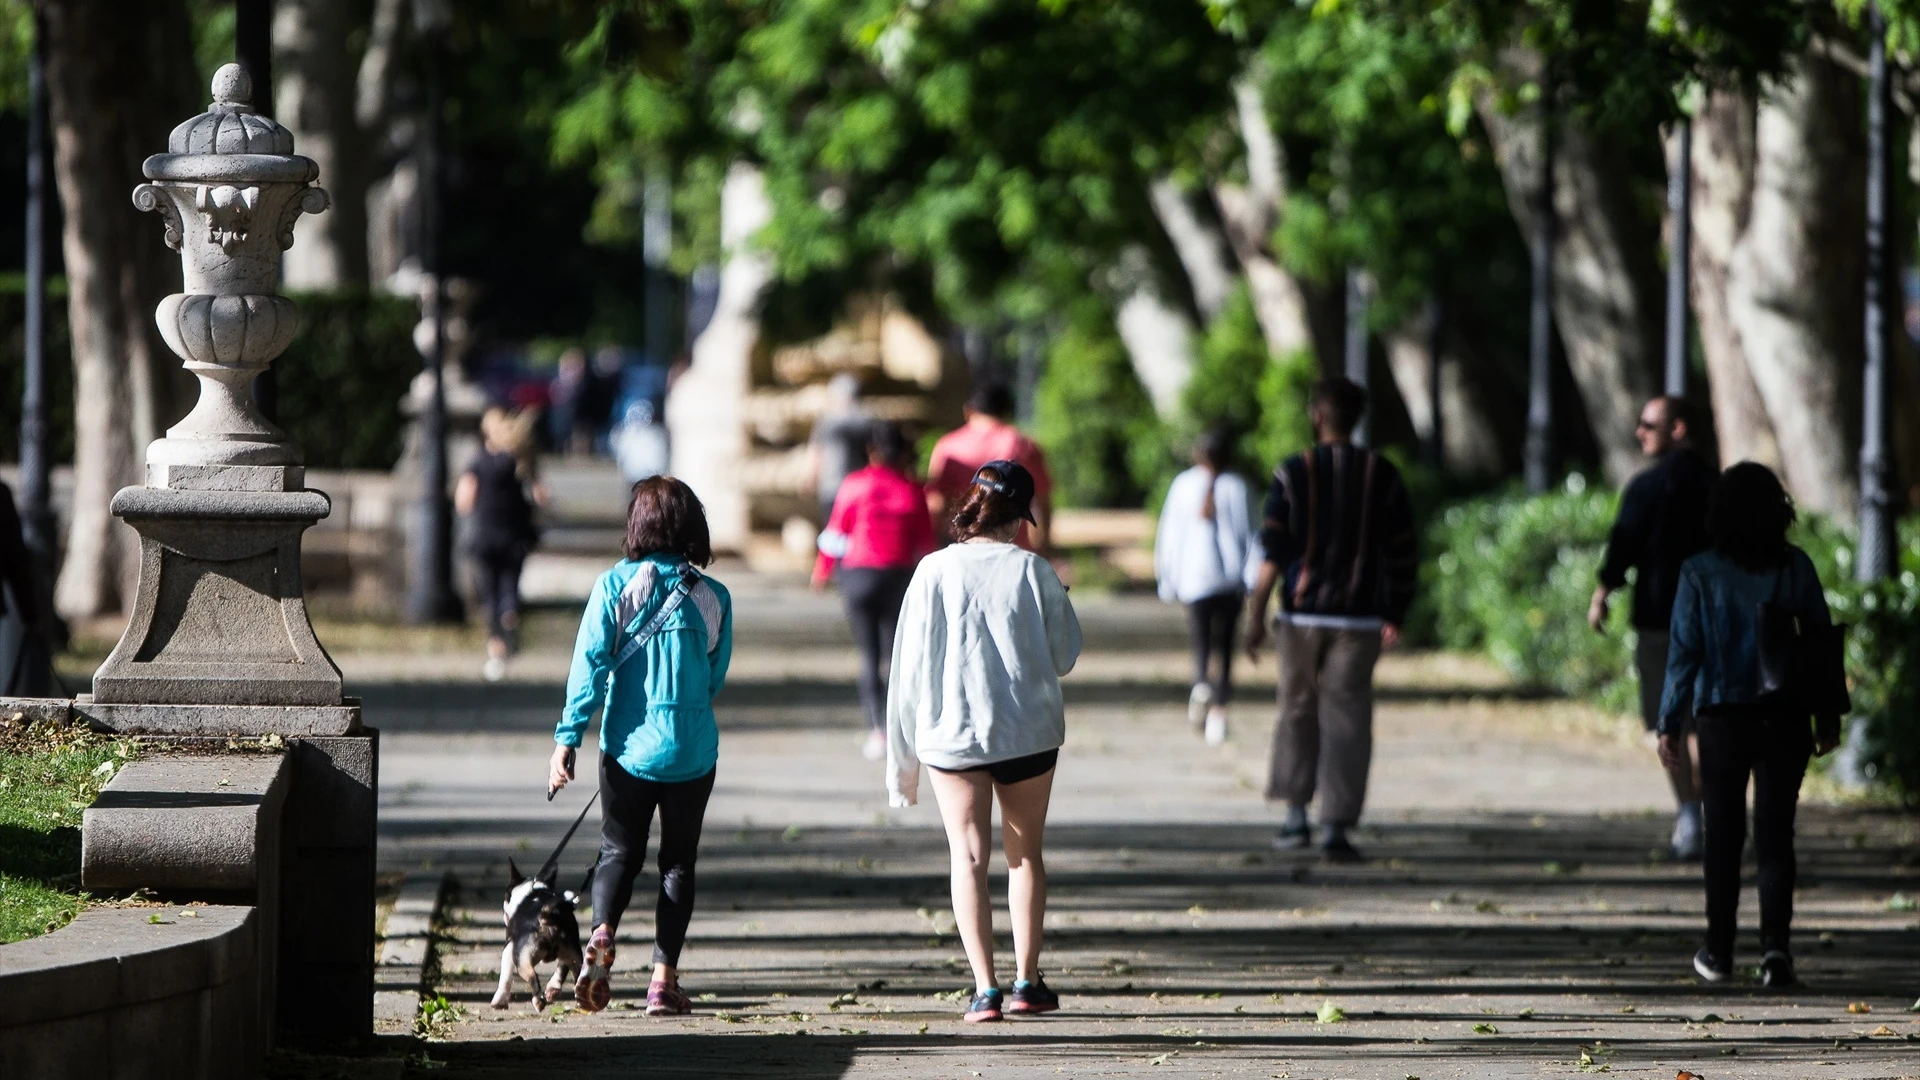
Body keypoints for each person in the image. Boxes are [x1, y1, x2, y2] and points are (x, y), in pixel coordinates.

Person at [887, 461, 1081, 1023]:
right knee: (1025, 857)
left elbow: (907, 669)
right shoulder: (1034, 571)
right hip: (1028, 733)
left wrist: (903, 769)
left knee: (967, 857)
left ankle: (984, 990)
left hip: (952, 735)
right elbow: (1065, 656)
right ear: (1020, 517)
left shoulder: (932, 571)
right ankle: (1027, 981)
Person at [548, 476, 734, 1016]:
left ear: (637, 524)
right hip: (692, 751)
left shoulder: (612, 586)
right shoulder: (713, 596)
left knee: (617, 852)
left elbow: (588, 668)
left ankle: (603, 931)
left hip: (627, 748)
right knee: (678, 864)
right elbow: (712, 677)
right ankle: (662, 982)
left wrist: (567, 738)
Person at [1660, 462, 1840, 989]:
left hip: (1720, 717)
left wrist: (1669, 721)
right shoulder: (1795, 567)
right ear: (1777, 511)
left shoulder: (1698, 572)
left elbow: (1683, 654)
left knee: (1723, 835)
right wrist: (1826, 717)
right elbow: (1821, 645)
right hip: (1785, 716)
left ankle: (1718, 952)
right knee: (1775, 835)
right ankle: (1776, 952)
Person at [1245, 378, 1417, 863]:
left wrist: (1256, 614)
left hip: (1301, 615)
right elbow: (1403, 549)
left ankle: (1295, 814)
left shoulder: (1294, 472)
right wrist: (1396, 610)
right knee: (1348, 716)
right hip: (1359, 619)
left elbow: (1273, 550)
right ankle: (1337, 825)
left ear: (1317, 415)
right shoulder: (1381, 474)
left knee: (1296, 708)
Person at [1589, 395, 1715, 860]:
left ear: (1678, 428)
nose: (1639, 433)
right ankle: (1709, 816)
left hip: (1660, 620)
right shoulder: (1720, 485)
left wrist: (1603, 593)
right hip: (1712, 621)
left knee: (1671, 724)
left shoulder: (1645, 487)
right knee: (1707, 719)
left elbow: (1622, 546)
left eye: (1648, 424)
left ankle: (1688, 815)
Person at [813, 422, 936, 761]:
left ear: (871, 450)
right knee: (897, 656)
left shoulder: (854, 485)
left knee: (868, 656)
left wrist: (821, 570)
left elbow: (836, 534)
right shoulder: (913, 490)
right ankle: (903, 729)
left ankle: (876, 732)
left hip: (858, 577)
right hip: (899, 579)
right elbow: (925, 545)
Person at [1154, 428, 1258, 746]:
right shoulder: (1239, 487)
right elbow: (1252, 535)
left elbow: (1169, 534)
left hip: (1194, 578)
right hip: (1229, 579)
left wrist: (1166, 578)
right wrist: (1253, 579)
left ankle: (1200, 682)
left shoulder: (1183, 485)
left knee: (1201, 641)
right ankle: (1219, 712)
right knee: (1225, 648)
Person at [456, 407, 549, 682]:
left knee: (489, 594)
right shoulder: (520, 462)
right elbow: (541, 496)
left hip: (485, 537)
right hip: (514, 538)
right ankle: (509, 625)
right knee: (509, 588)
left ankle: (495, 648)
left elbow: (464, 501)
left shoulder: (477, 463)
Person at [926, 385, 1053, 552]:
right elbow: (1042, 501)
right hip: (1013, 550)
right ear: (1007, 411)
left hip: (960, 550)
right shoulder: (1023, 445)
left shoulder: (948, 446)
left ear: (968, 410)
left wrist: (933, 548)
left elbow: (936, 504)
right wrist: (1043, 546)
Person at [808, 373, 877, 524]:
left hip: (832, 487)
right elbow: (873, 454)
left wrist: (811, 477)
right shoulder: (866, 421)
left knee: (833, 531)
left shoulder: (827, 421)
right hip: (857, 488)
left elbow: (816, 452)